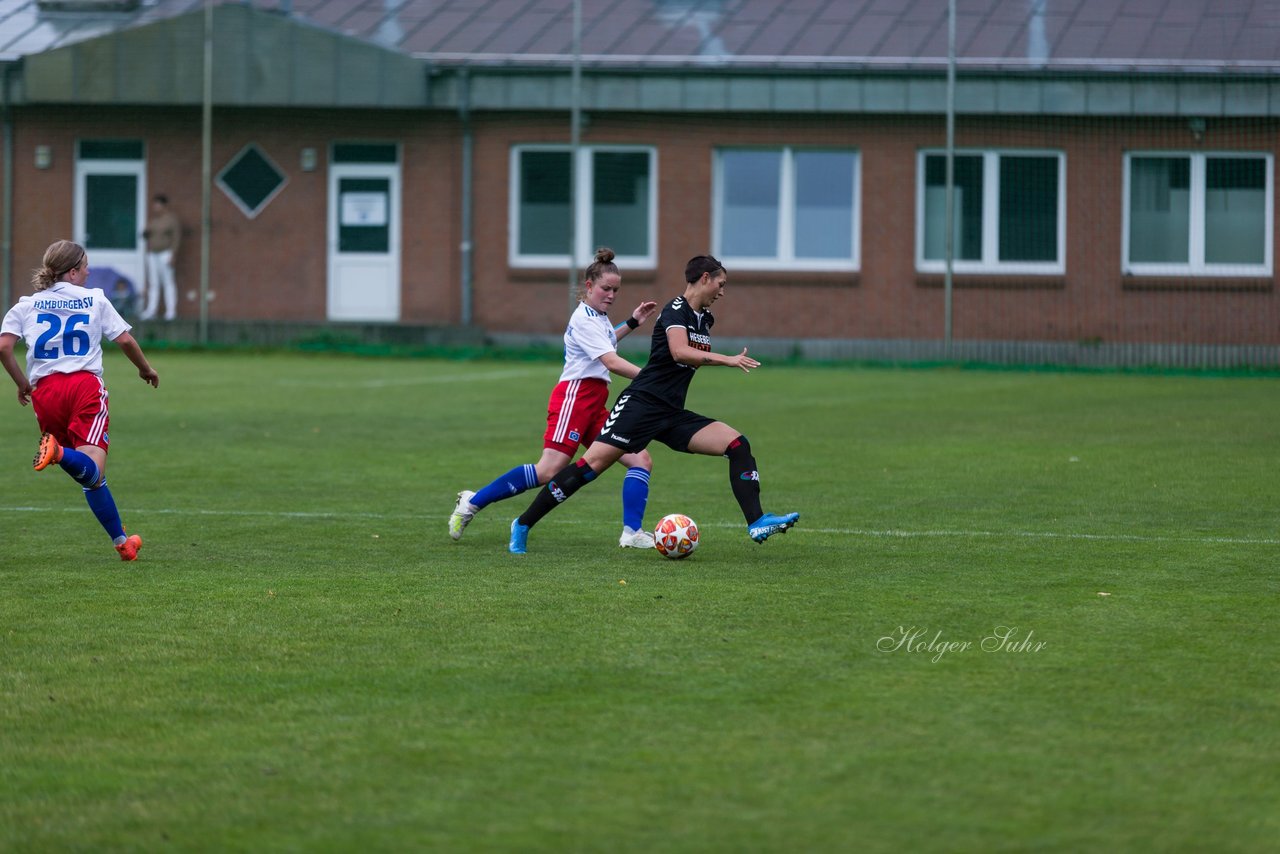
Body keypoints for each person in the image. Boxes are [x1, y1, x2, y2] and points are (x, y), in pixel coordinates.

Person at [508, 254, 798, 554]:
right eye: (720, 284)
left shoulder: (704, 318)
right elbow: (679, 352)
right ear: (704, 279)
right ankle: (523, 523)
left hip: (670, 412)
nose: (722, 292)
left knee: (737, 444)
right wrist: (727, 359)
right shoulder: (675, 309)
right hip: (641, 405)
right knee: (589, 468)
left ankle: (757, 521)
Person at [450, 247, 661, 548]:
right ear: (589, 287)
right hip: (574, 399)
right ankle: (472, 502)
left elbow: (607, 341)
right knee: (548, 470)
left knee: (640, 460)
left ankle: (632, 533)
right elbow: (611, 361)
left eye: (616, 290)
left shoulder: (598, 316)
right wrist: (652, 378)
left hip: (595, 403)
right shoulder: (584, 319)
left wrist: (633, 321)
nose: (612, 295)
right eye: (606, 289)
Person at [0, 240, 160, 561]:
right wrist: (146, 369)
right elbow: (125, 339)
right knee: (92, 469)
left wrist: (22, 384)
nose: (88, 272)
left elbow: (4, 347)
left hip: (45, 393)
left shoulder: (27, 305)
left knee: (90, 479)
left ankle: (123, 543)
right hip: (84, 387)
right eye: (85, 266)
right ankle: (58, 452)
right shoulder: (94, 299)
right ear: (72, 272)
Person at [140, 193, 180, 321]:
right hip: (152, 254)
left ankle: (171, 312)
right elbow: (145, 235)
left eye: (158, 205)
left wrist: (173, 254)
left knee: (168, 282)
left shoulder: (171, 220)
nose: (155, 207)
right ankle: (151, 311)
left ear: (164, 206)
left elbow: (176, 238)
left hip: (165, 253)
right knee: (153, 283)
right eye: (154, 205)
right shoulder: (153, 220)